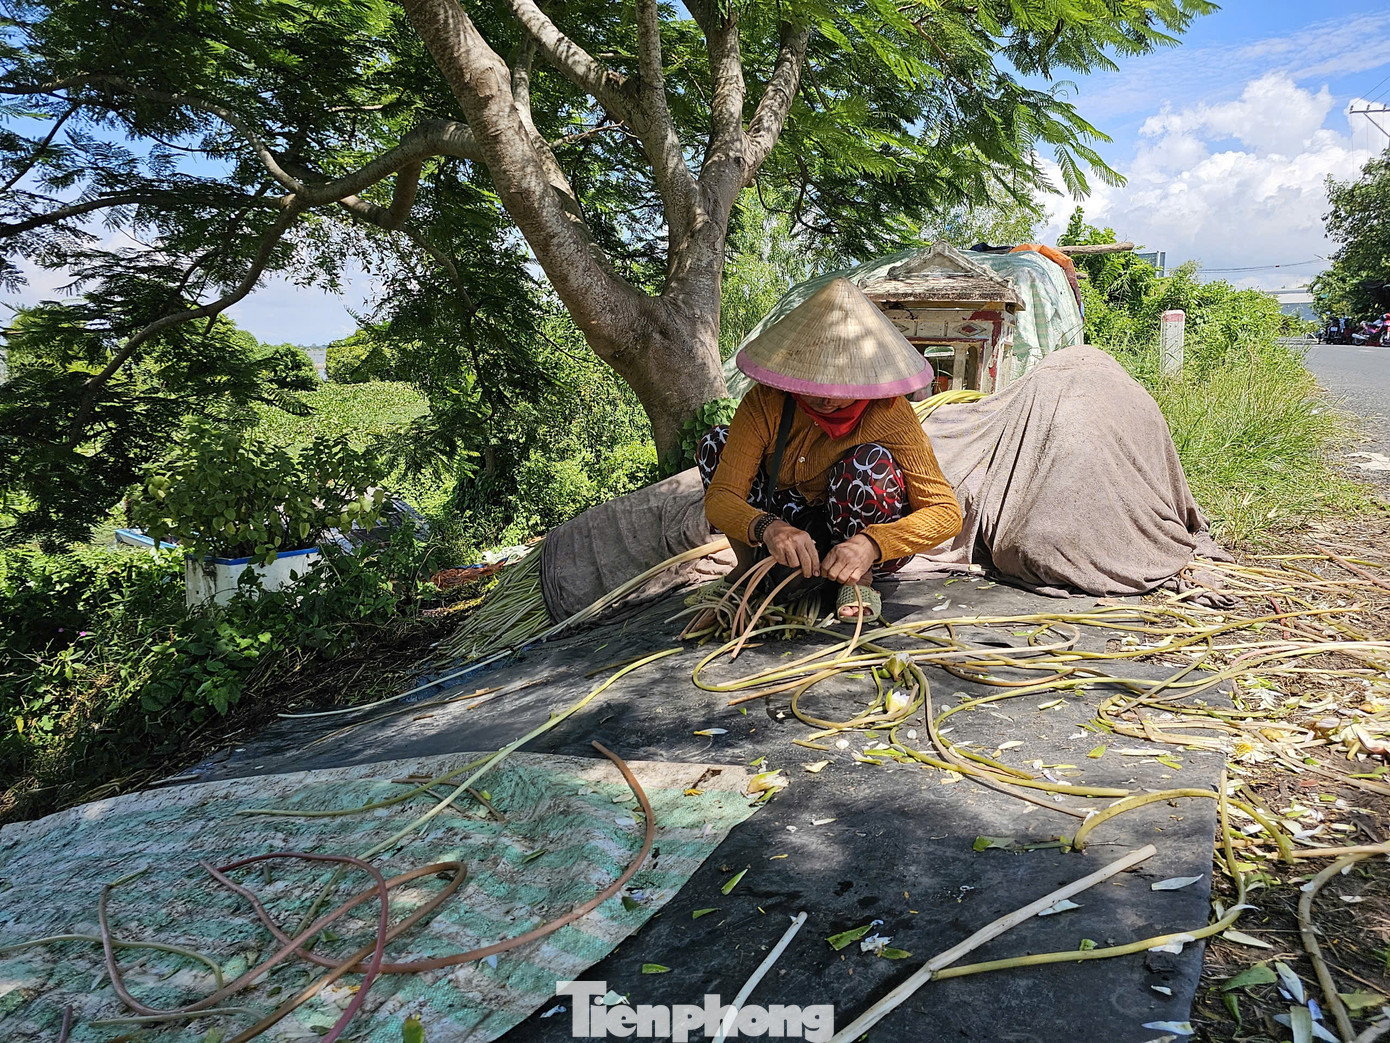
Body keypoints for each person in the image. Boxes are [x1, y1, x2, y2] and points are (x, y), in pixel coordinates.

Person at [700, 277, 963, 622]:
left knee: (870, 464)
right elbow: (721, 498)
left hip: (854, 531)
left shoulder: (889, 412)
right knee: (715, 443)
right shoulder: (765, 403)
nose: (827, 399)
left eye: (842, 386)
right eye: (817, 384)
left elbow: (946, 513)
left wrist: (870, 544)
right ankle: (750, 569)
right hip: (786, 520)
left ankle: (856, 582)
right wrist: (768, 527)